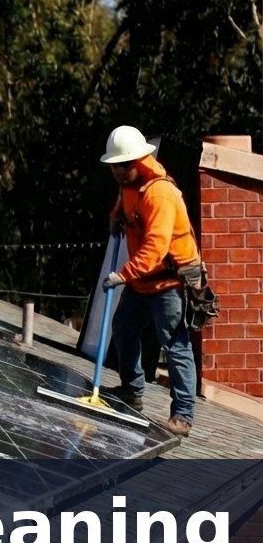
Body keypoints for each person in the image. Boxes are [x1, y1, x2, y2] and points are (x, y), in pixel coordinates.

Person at [99, 125, 200, 437]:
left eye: (123, 164)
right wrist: (115, 216)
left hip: (168, 282)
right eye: (114, 165)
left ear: (139, 161)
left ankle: (183, 415)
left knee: (175, 344)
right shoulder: (129, 183)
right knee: (124, 328)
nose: (118, 170)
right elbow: (124, 205)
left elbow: (156, 248)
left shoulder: (159, 194)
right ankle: (131, 391)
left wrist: (122, 275)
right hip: (142, 280)